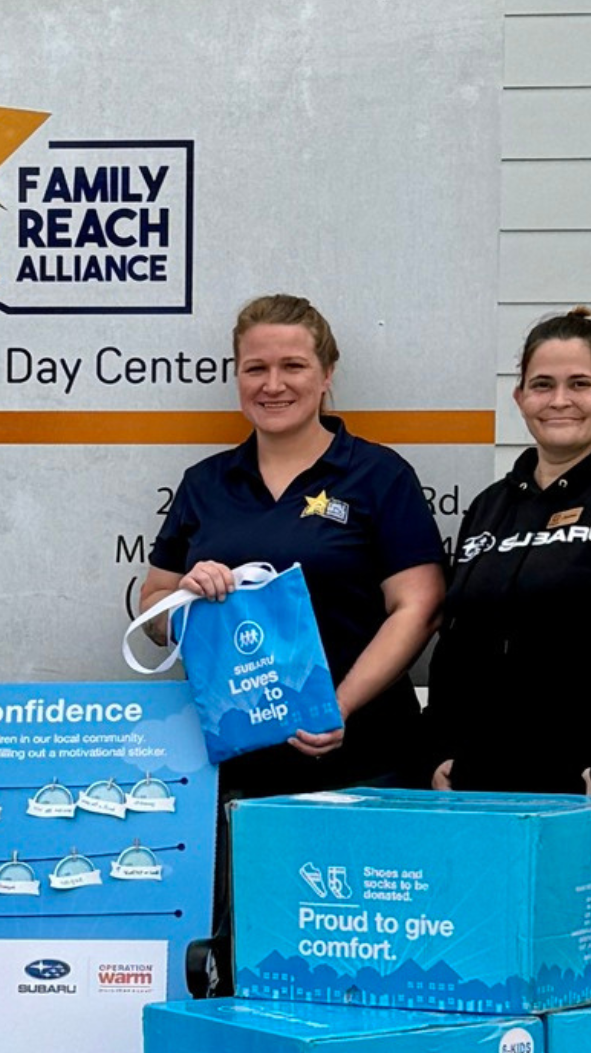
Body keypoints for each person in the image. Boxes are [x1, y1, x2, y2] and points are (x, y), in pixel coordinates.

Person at [413, 306, 591, 885]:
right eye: (543, 385)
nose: (560, 400)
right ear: (520, 397)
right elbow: (456, 648)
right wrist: (440, 756)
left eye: (580, 384)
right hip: (482, 796)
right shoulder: (491, 508)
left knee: (583, 945)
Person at [141, 294, 446, 798]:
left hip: (367, 762)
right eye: (255, 368)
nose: (273, 384)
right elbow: (152, 605)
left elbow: (420, 606)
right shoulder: (204, 483)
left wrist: (337, 706)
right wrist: (185, 605)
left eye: (293, 366)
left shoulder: (378, 474)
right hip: (237, 768)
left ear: (327, 374)